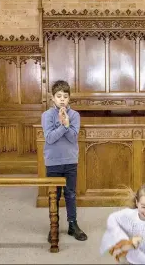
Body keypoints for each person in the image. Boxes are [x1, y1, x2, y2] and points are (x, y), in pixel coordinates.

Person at [41, 80, 87, 241]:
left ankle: (73, 225)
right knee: (54, 194)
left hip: (70, 160)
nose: (62, 99)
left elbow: (73, 137)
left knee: (70, 194)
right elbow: (50, 138)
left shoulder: (74, 115)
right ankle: (54, 225)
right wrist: (64, 126)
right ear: (52, 98)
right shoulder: (46, 116)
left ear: (69, 99)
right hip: (53, 161)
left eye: (65, 97)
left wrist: (67, 123)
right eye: (58, 96)